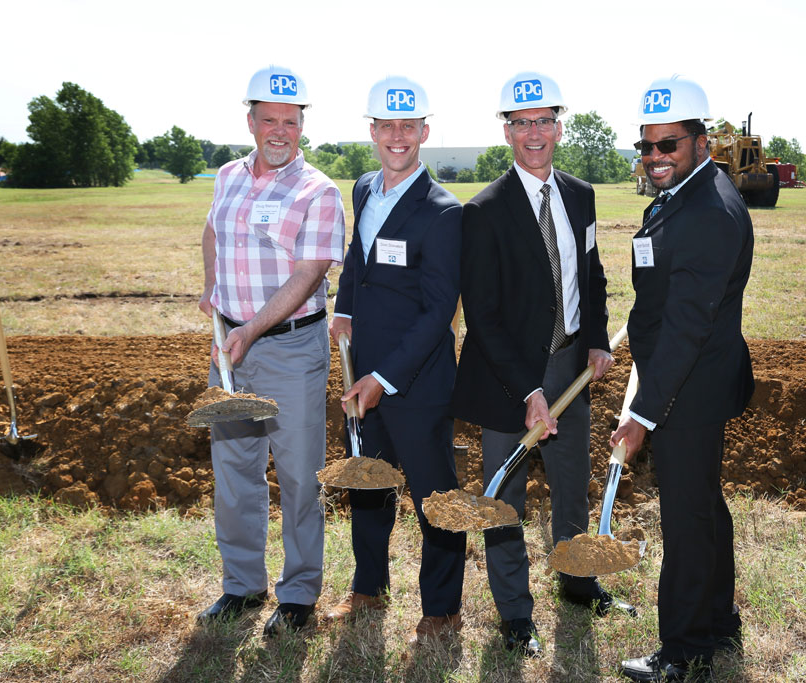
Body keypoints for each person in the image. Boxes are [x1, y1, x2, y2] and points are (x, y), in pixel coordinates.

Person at [452, 71, 636, 658]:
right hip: (510, 377)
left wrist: (599, 339)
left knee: (571, 487)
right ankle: (514, 615)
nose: (534, 133)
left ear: (560, 125)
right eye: (521, 123)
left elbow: (592, 272)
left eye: (543, 121)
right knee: (505, 497)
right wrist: (527, 388)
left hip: (569, 368)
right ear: (507, 132)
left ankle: (579, 586)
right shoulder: (484, 211)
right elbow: (481, 316)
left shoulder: (579, 195)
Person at [610, 75, 755, 682]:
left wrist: (642, 411)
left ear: (703, 142)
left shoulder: (709, 213)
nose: (654, 158)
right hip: (686, 378)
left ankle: (685, 648)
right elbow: (659, 298)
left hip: (687, 387)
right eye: (645, 146)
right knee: (702, 506)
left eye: (668, 145)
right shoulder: (680, 197)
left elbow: (687, 328)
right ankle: (717, 620)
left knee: (686, 517)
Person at [196, 64, 345, 637]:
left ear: (302, 125)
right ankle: (241, 584)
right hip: (230, 345)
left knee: (300, 473)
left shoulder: (319, 191)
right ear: (251, 121)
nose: (280, 131)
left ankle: (299, 592)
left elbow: (309, 274)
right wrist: (211, 288)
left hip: (288, 349)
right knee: (234, 471)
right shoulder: (228, 176)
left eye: (291, 121)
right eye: (270, 120)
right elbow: (212, 231)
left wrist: (252, 328)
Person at [323, 76, 466, 646]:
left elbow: (438, 313)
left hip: (417, 381)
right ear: (373, 132)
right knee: (368, 485)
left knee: (435, 498)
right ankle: (366, 590)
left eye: (409, 126)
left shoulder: (442, 211)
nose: (398, 136)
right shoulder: (363, 189)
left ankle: (442, 609)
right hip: (365, 375)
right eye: (387, 126)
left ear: (424, 131)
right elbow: (359, 256)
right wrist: (345, 305)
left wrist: (384, 378)